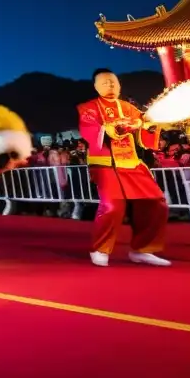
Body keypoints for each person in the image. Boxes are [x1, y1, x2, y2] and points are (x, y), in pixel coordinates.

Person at [77, 68, 170, 267]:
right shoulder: (88, 108)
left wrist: (149, 126)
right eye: (104, 83)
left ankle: (142, 249)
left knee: (156, 203)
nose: (109, 85)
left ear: (119, 85)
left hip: (132, 163)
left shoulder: (129, 108)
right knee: (112, 206)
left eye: (113, 82)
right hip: (105, 164)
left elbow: (144, 136)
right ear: (95, 87)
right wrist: (110, 129)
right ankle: (100, 248)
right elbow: (89, 131)